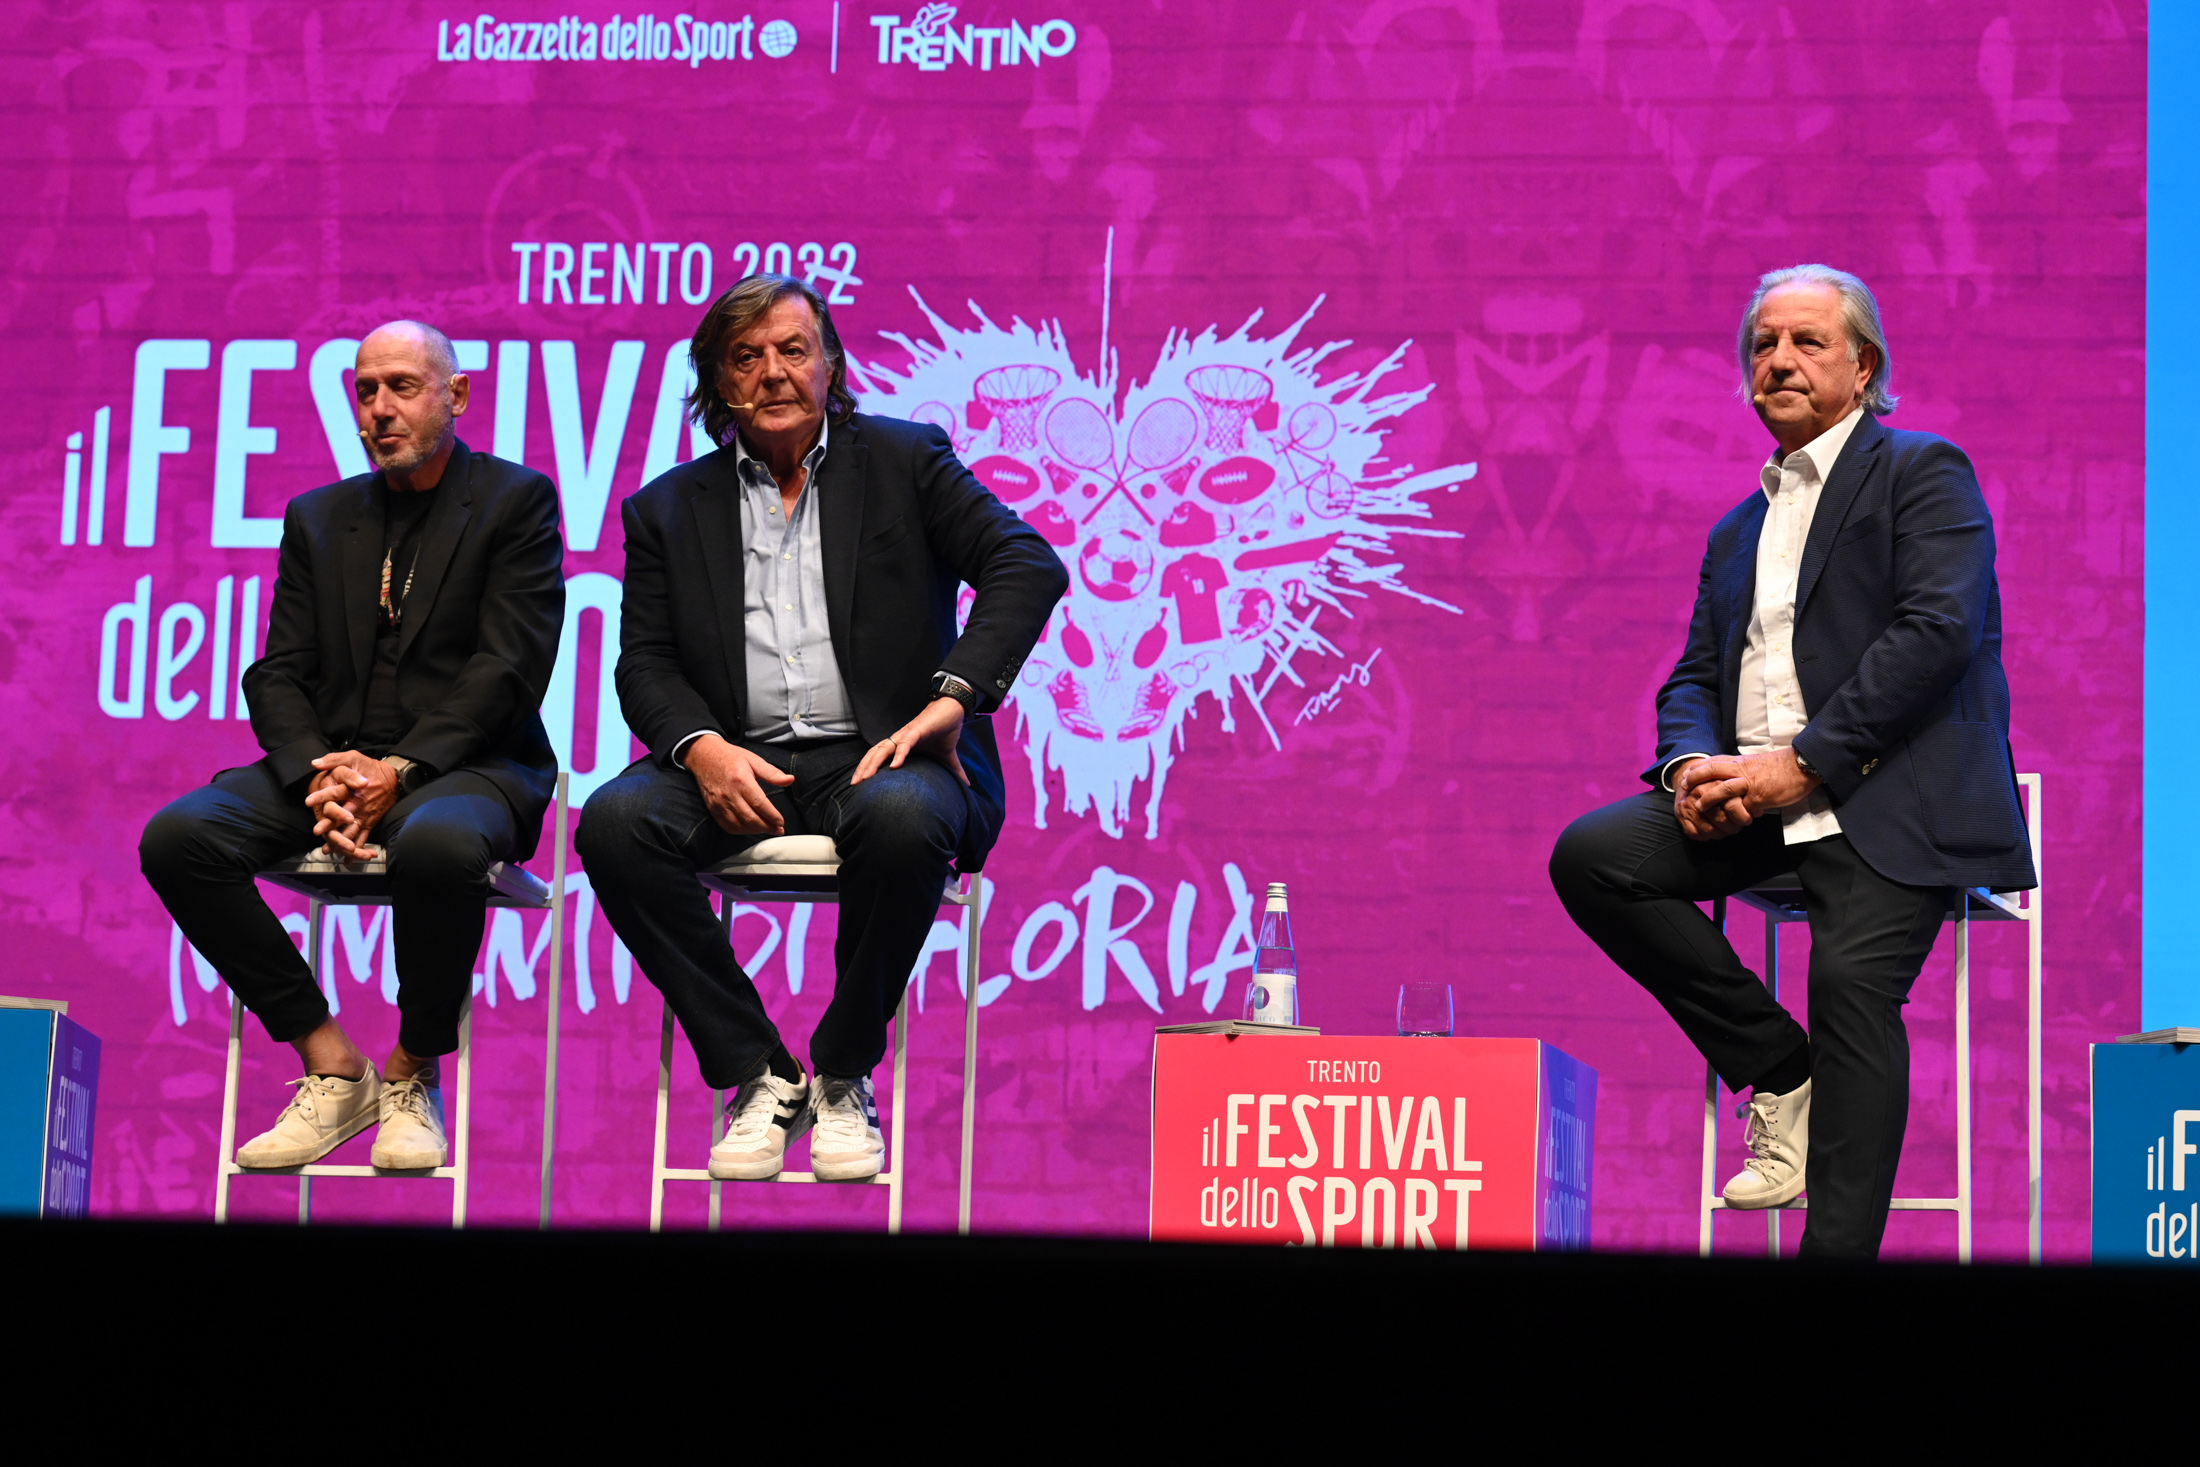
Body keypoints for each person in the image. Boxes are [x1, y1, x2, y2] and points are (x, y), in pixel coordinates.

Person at [1547, 265, 2036, 1259]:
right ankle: (1779, 1072)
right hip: (1763, 808)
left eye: (1807, 342)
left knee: (1851, 986)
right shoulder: (1737, 530)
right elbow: (1690, 674)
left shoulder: (1921, 471)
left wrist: (1802, 764)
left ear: (1864, 368)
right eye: (1763, 345)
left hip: (1889, 797)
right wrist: (1689, 768)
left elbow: (1936, 632)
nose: (1778, 361)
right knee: (1594, 857)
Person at [578, 274, 1067, 1181]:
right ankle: (759, 1072)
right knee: (611, 824)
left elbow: (1025, 563)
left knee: (907, 819)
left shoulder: (905, 461)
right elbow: (642, 664)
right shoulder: (665, 509)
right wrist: (703, 746)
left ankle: (844, 1068)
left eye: (792, 350)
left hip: (881, 751)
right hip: (734, 759)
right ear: (716, 383)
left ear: (830, 364)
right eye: (746, 357)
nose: (772, 373)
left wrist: (953, 695)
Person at [141, 322, 565, 1172]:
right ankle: (330, 1060)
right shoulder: (320, 515)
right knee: (180, 838)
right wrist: (315, 775)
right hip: (332, 764)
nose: (380, 408)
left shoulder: (516, 501)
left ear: (458, 394)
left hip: (467, 765)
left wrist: (397, 769)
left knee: (438, 844)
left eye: (402, 386)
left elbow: (507, 670)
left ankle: (413, 1068)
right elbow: (277, 672)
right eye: (366, 390)